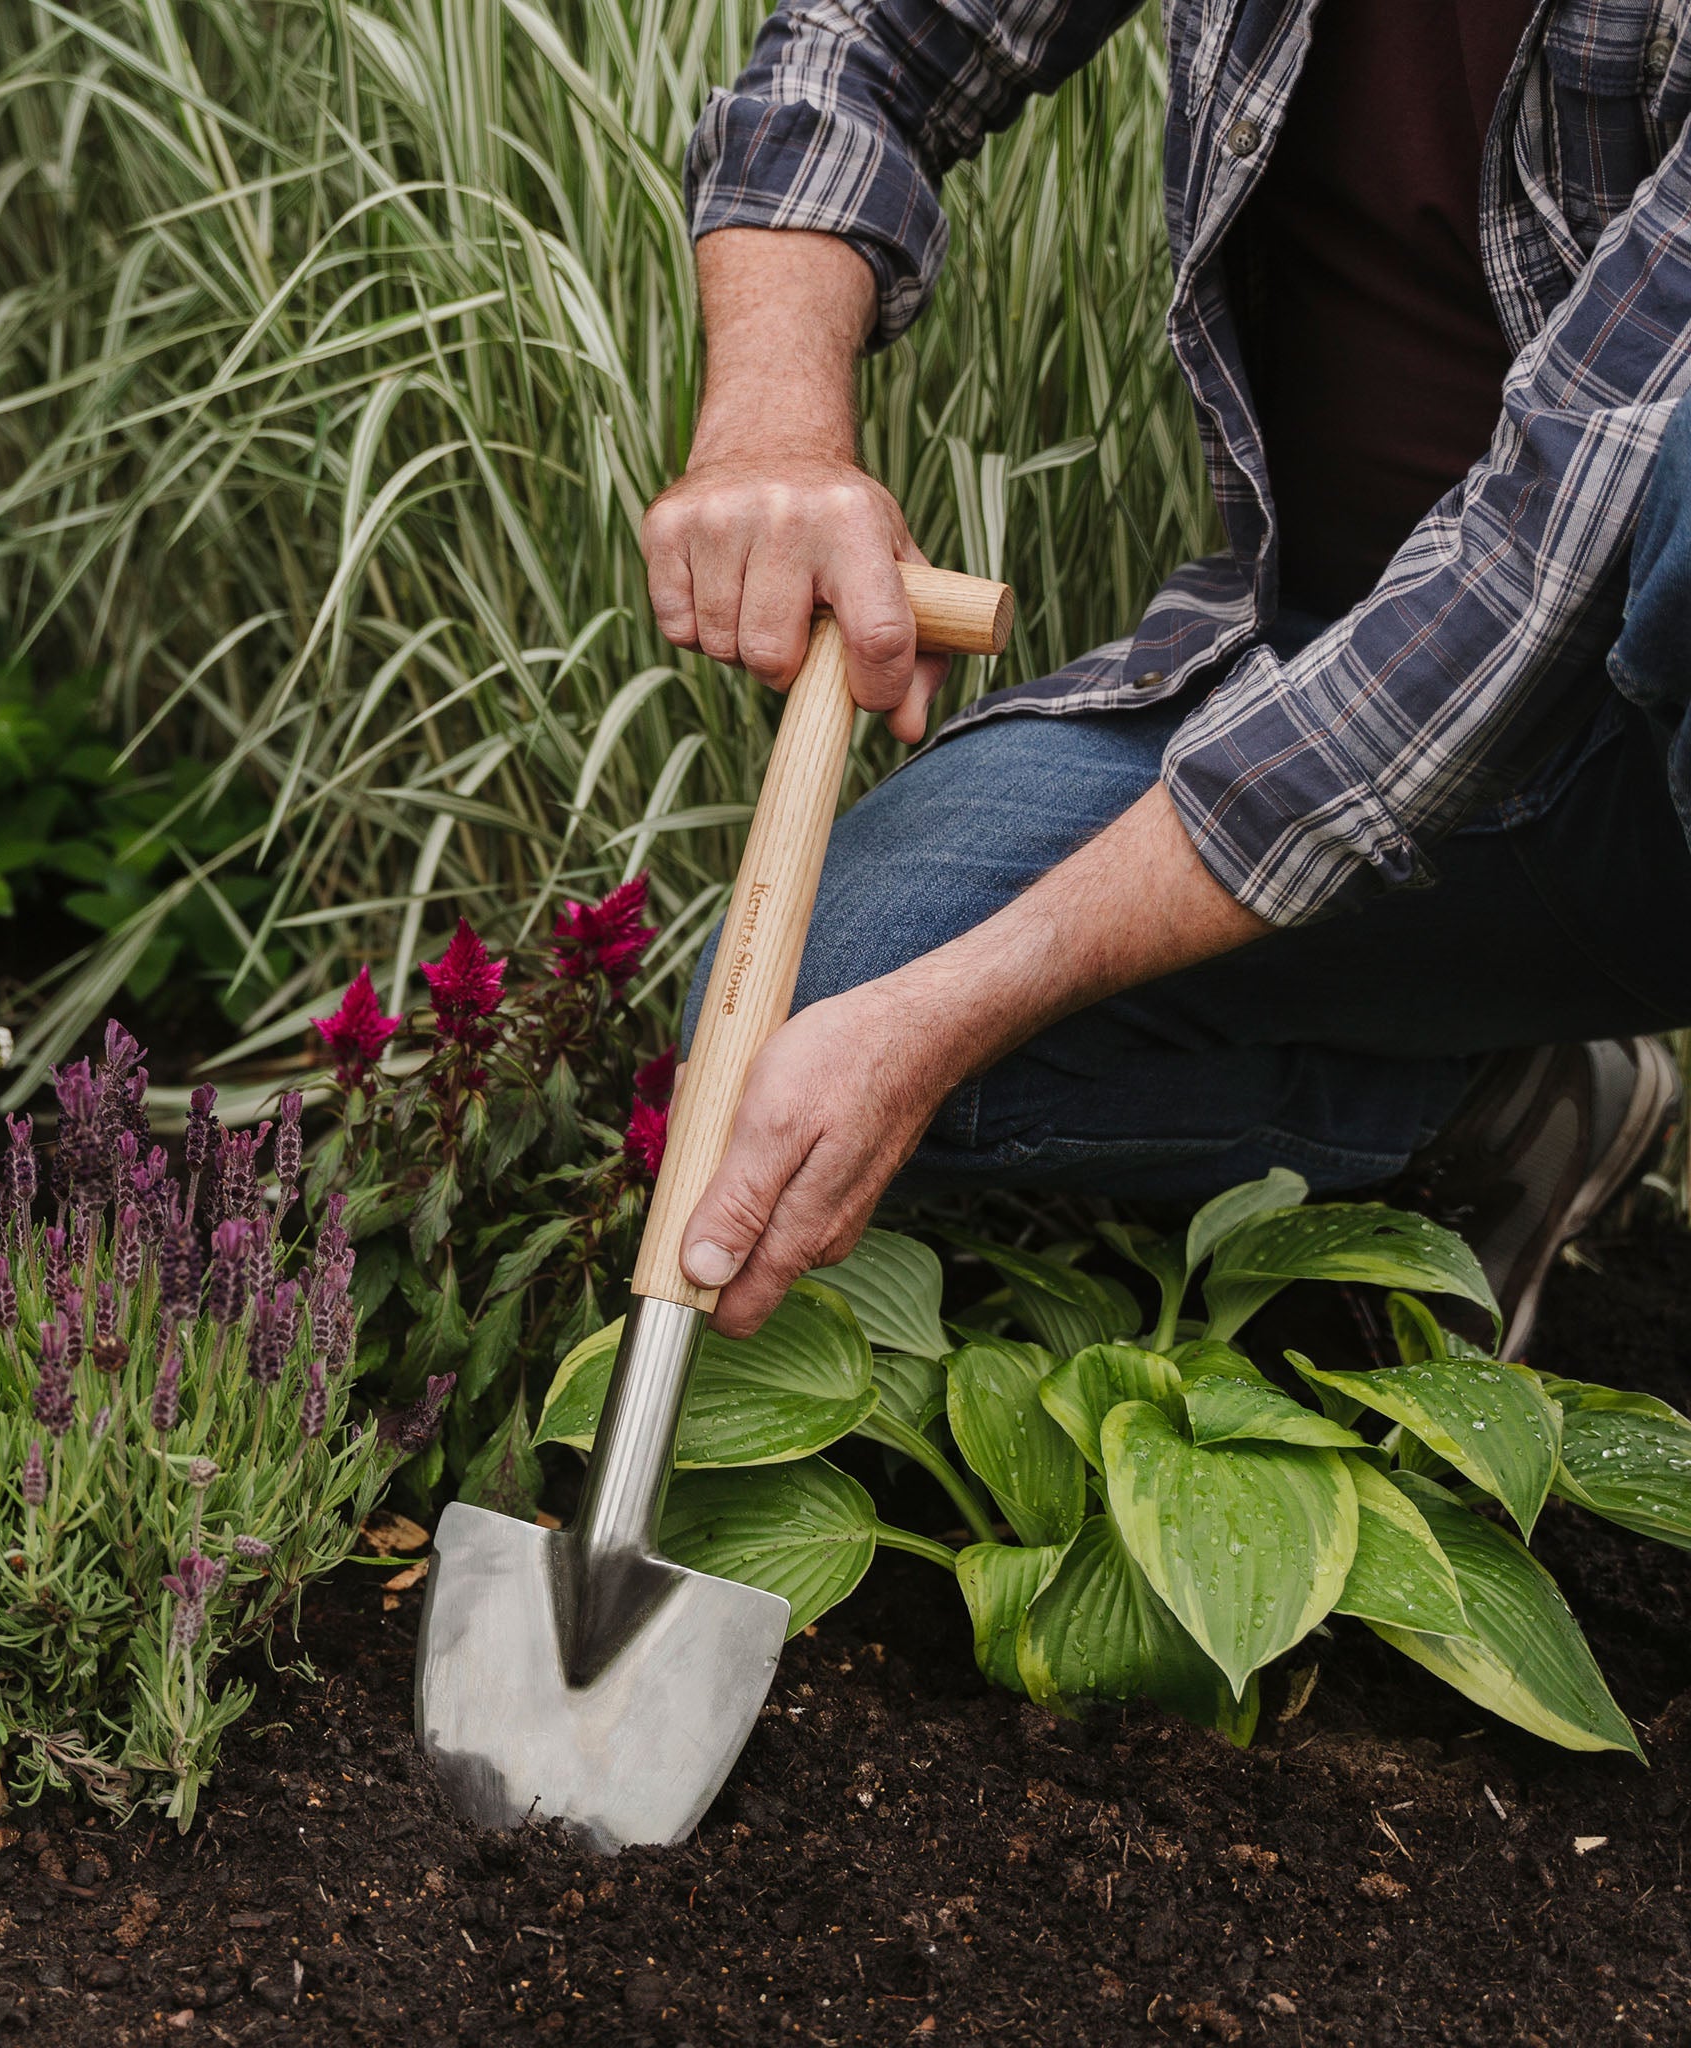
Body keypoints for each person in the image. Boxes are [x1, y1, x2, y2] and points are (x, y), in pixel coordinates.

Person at [642, 0, 1691, 1358]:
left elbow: (1531, 565)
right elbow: (865, 47)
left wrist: (968, 1005)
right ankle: (1503, 1098)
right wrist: (770, 434)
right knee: (805, 1004)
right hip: (1318, 665)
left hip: (1636, 751)